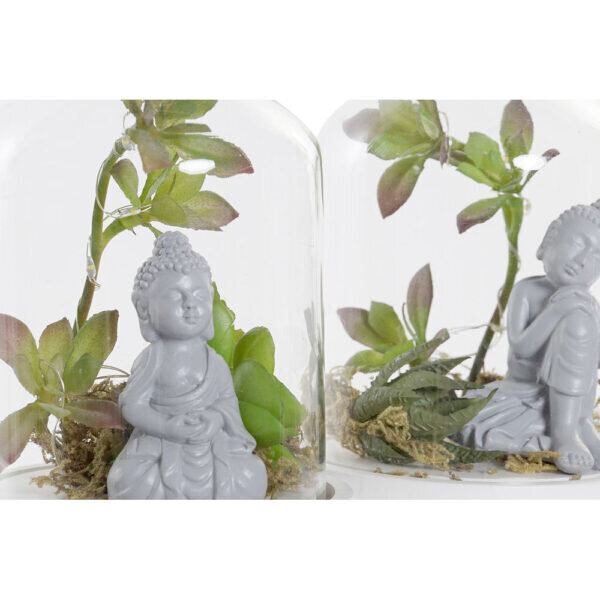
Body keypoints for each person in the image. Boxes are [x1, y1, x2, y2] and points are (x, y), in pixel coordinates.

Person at [107, 231, 267, 499]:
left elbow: (227, 401)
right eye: (175, 296)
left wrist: (215, 418)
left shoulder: (214, 361)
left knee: (252, 472)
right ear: (144, 307)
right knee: (127, 478)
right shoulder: (152, 358)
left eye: (199, 295)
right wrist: (167, 427)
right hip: (161, 441)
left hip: (210, 444)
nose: (190, 305)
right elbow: (132, 405)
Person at [456, 200, 600, 474]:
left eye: (596, 257)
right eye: (577, 243)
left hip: (573, 403)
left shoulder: (586, 304)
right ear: (549, 239)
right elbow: (522, 349)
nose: (582, 261)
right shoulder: (526, 291)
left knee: (581, 323)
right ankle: (563, 434)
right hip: (521, 393)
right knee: (577, 322)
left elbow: (593, 363)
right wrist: (556, 310)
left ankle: (581, 424)